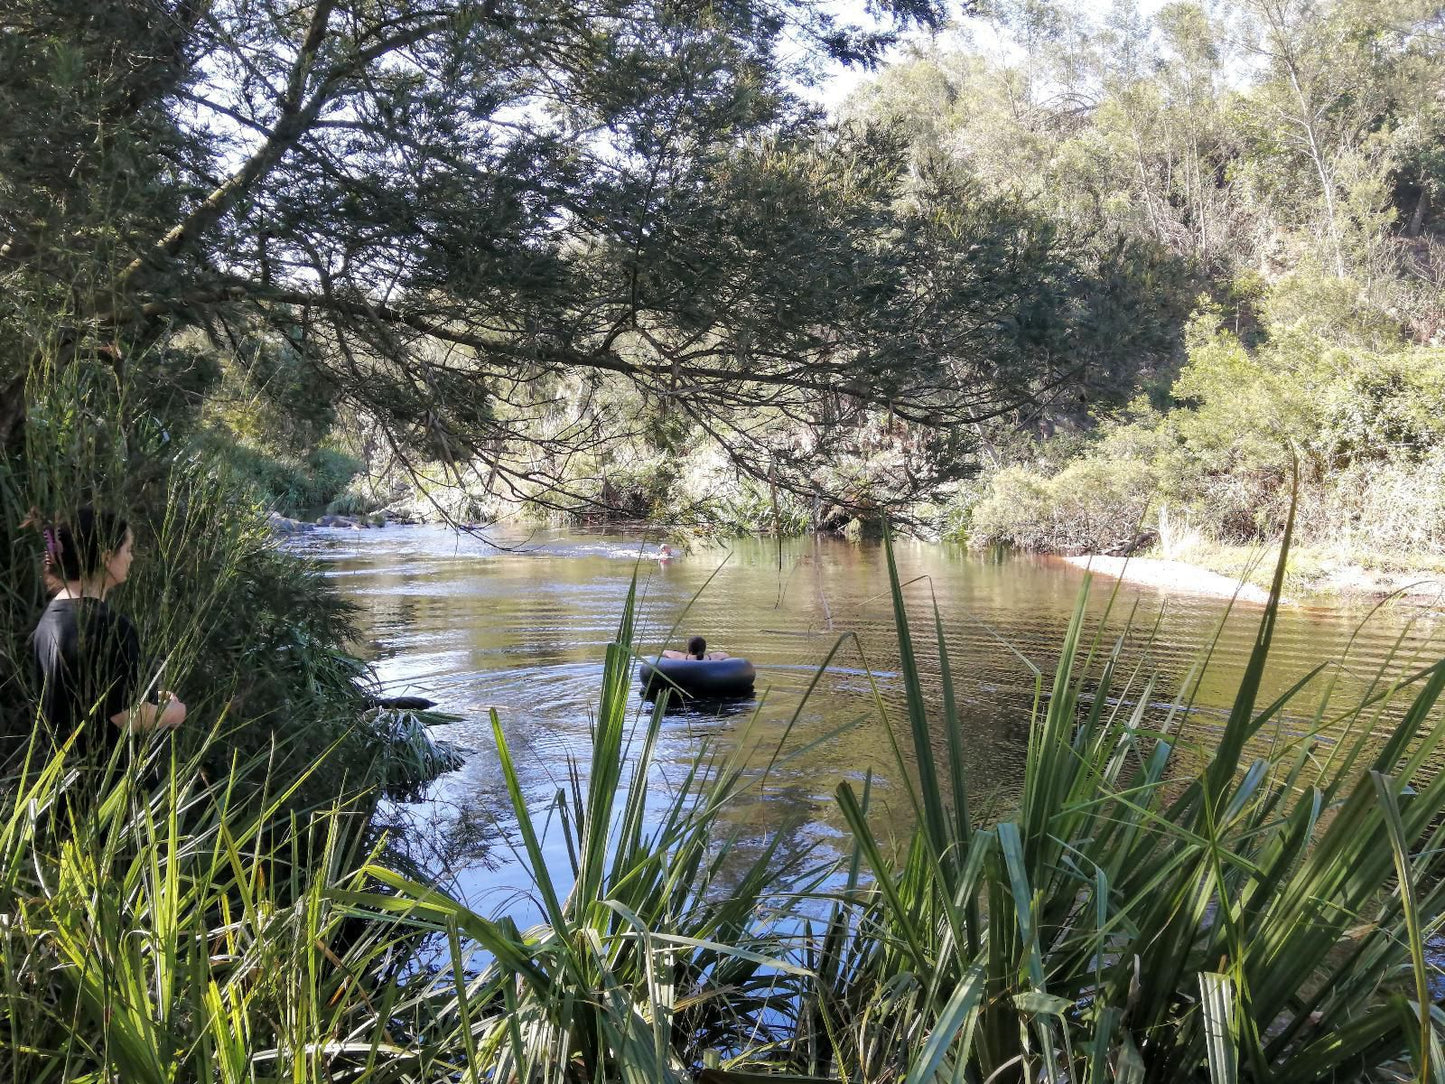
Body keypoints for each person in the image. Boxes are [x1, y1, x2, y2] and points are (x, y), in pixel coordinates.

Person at [30, 507, 186, 761]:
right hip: (102, 782)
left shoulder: (50, 618)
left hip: (59, 775)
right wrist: (173, 712)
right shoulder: (110, 627)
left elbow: (88, 698)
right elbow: (125, 717)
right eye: (128, 549)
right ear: (105, 557)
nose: (131, 558)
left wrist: (150, 699)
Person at [662, 635, 729, 661]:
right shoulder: (711, 658)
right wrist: (710, 655)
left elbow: (664, 652)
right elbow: (726, 655)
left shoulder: (681, 657)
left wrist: (681, 653)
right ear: (704, 649)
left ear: (689, 650)